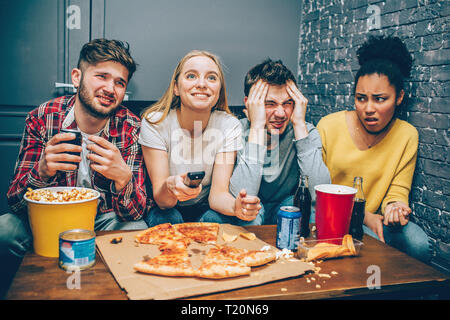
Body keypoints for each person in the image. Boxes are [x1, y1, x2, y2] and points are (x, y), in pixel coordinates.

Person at [0, 39, 150, 296]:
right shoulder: (42, 118)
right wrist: (42, 172)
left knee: (138, 234)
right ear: (77, 77)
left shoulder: (131, 128)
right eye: (101, 76)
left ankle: (105, 291)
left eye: (119, 82)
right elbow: (15, 201)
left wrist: (123, 180)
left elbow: (134, 214)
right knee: (4, 229)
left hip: (103, 220)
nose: (109, 88)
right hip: (49, 219)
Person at [317, 35, 431, 263]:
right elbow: (317, 190)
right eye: (361, 98)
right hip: (328, 212)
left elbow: (398, 190)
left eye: (380, 99)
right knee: (369, 247)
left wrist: (395, 207)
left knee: (419, 245)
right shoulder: (329, 126)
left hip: (375, 218)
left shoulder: (407, 135)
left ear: (399, 97)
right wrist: (364, 217)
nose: (368, 108)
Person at [201, 58, 331, 225]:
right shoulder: (234, 132)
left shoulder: (306, 131)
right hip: (248, 214)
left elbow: (319, 195)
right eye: (269, 104)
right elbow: (243, 197)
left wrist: (298, 124)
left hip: (285, 207)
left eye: (287, 103)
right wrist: (257, 128)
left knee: (309, 212)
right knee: (251, 216)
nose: (281, 113)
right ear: (249, 104)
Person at [139, 50, 261, 227]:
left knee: (218, 220)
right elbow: (162, 200)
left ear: (219, 91)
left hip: (204, 208)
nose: (202, 84)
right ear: (176, 88)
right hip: (165, 207)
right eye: (191, 76)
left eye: (211, 78)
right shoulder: (155, 123)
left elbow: (218, 196)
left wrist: (236, 207)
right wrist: (171, 187)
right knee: (168, 218)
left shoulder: (229, 125)